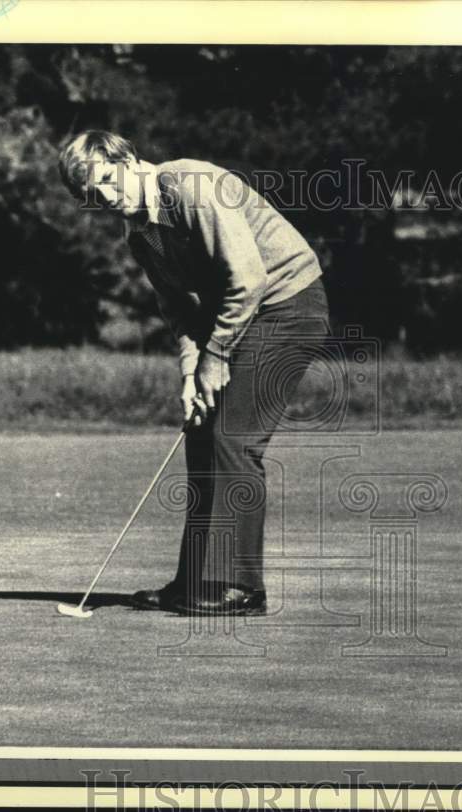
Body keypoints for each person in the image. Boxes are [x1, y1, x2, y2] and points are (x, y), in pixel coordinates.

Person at [58, 130, 329, 616]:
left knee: (233, 438)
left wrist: (216, 357)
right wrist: (190, 375)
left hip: (289, 306)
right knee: (202, 434)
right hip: (243, 316)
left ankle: (241, 587)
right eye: (90, 196)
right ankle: (195, 581)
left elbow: (247, 280)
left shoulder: (189, 186)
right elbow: (181, 311)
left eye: (106, 181)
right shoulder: (140, 234)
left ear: (130, 160)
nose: (103, 198)